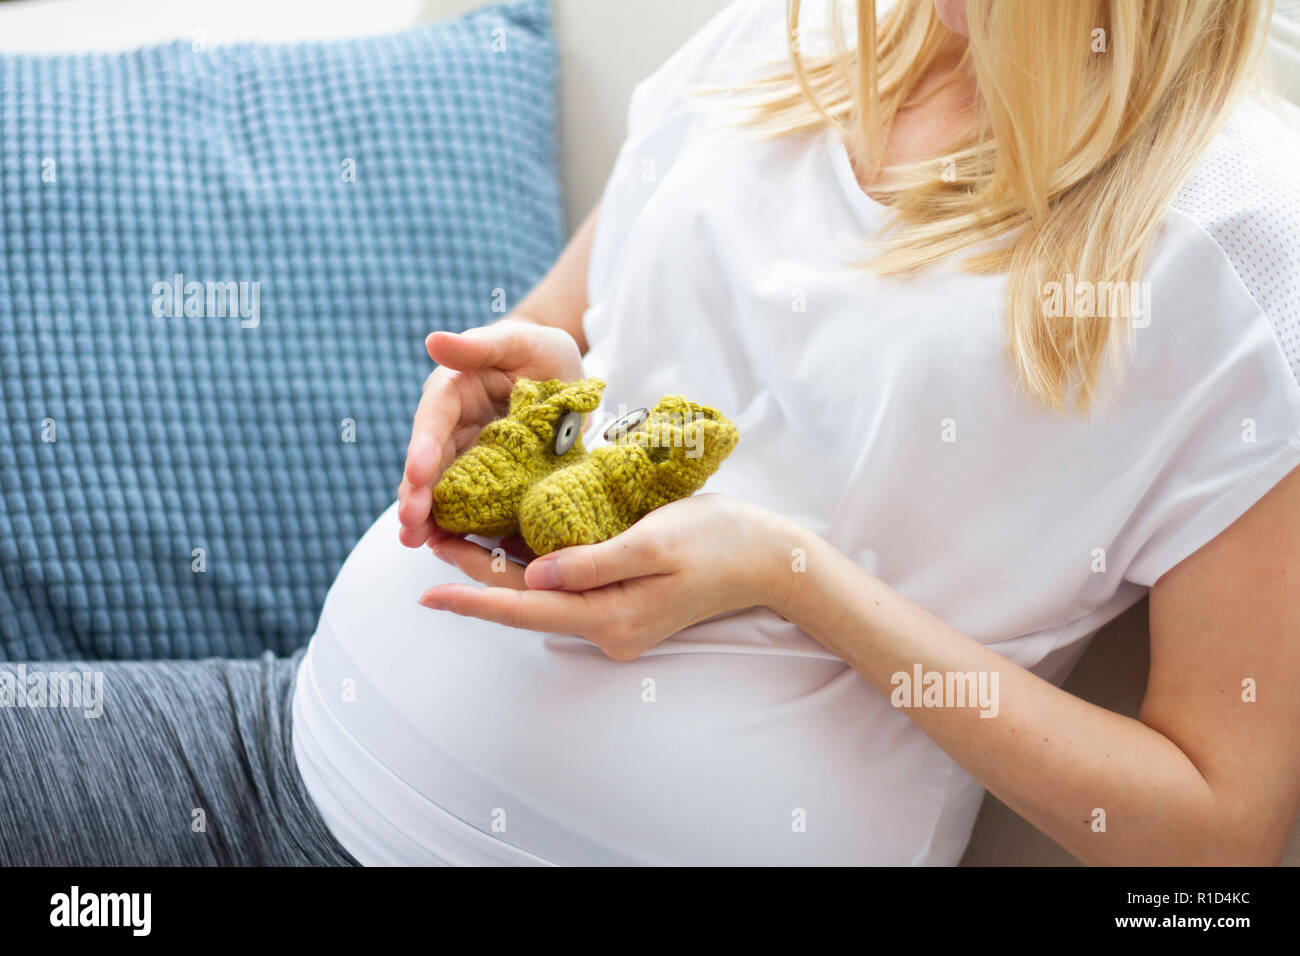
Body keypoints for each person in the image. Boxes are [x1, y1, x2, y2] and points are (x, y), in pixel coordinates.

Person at [3, 0, 1298, 866]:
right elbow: (575, 338)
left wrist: (795, 578)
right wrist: (514, 390)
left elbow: (1222, 824)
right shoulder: (797, 32)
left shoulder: (1243, 248)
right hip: (272, 756)